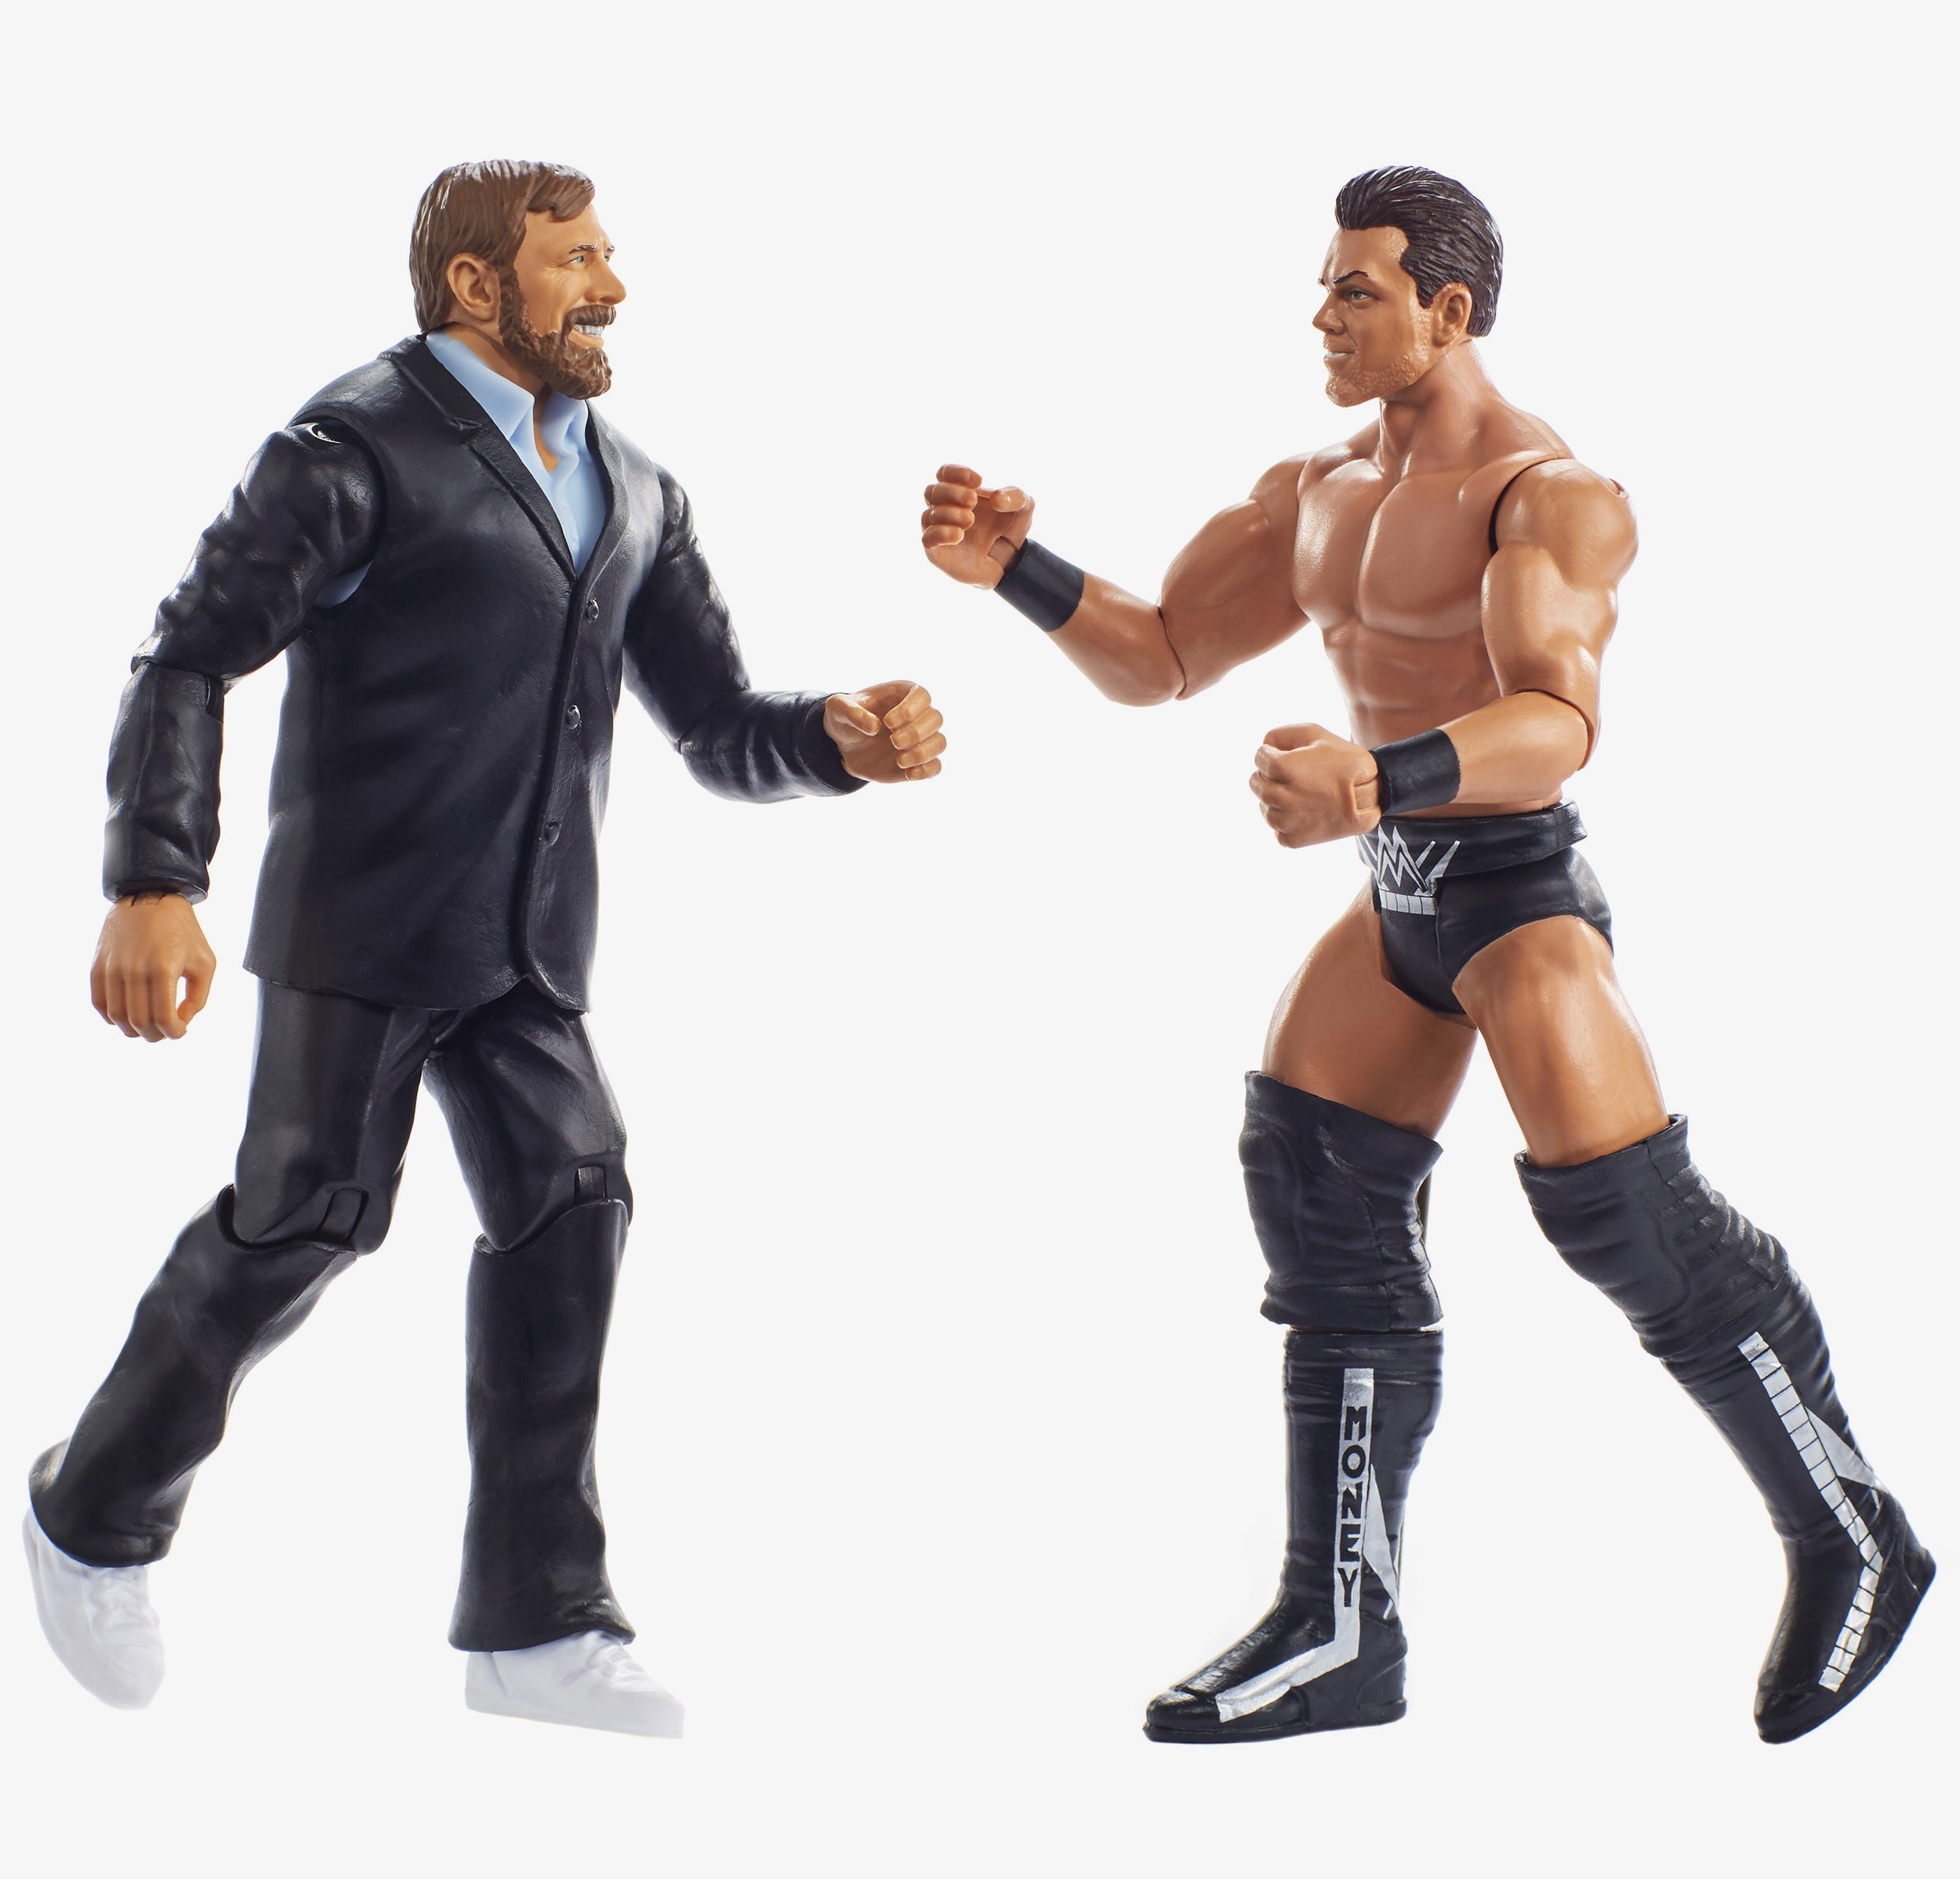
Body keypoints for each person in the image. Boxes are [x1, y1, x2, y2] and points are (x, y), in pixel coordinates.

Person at [916, 165, 1930, 1746]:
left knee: (1632, 1223)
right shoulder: (1315, 489)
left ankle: (1849, 1527)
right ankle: (1340, 1624)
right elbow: (1165, 656)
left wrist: (1375, 780)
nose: (1321, 316)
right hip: (1396, 893)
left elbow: (1557, 721)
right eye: (1324, 285)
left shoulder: (1549, 496)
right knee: (1314, 1190)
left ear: (1446, 309)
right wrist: (1020, 576)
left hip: (1515, 898)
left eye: (1355, 289)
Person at [26, 158, 946, 1738]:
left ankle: (535, 1617)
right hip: (367, 925)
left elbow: (717, 724)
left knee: (574, 1195)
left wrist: (835, 743)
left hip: (527, 947)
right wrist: (154, 877)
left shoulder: (634, 488)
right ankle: (90, 1511)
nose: (613, 288)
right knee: (304, 1220)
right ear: (474, 282)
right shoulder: (350, 448)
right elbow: (187, 655)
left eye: (607, 256)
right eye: (575, 259)